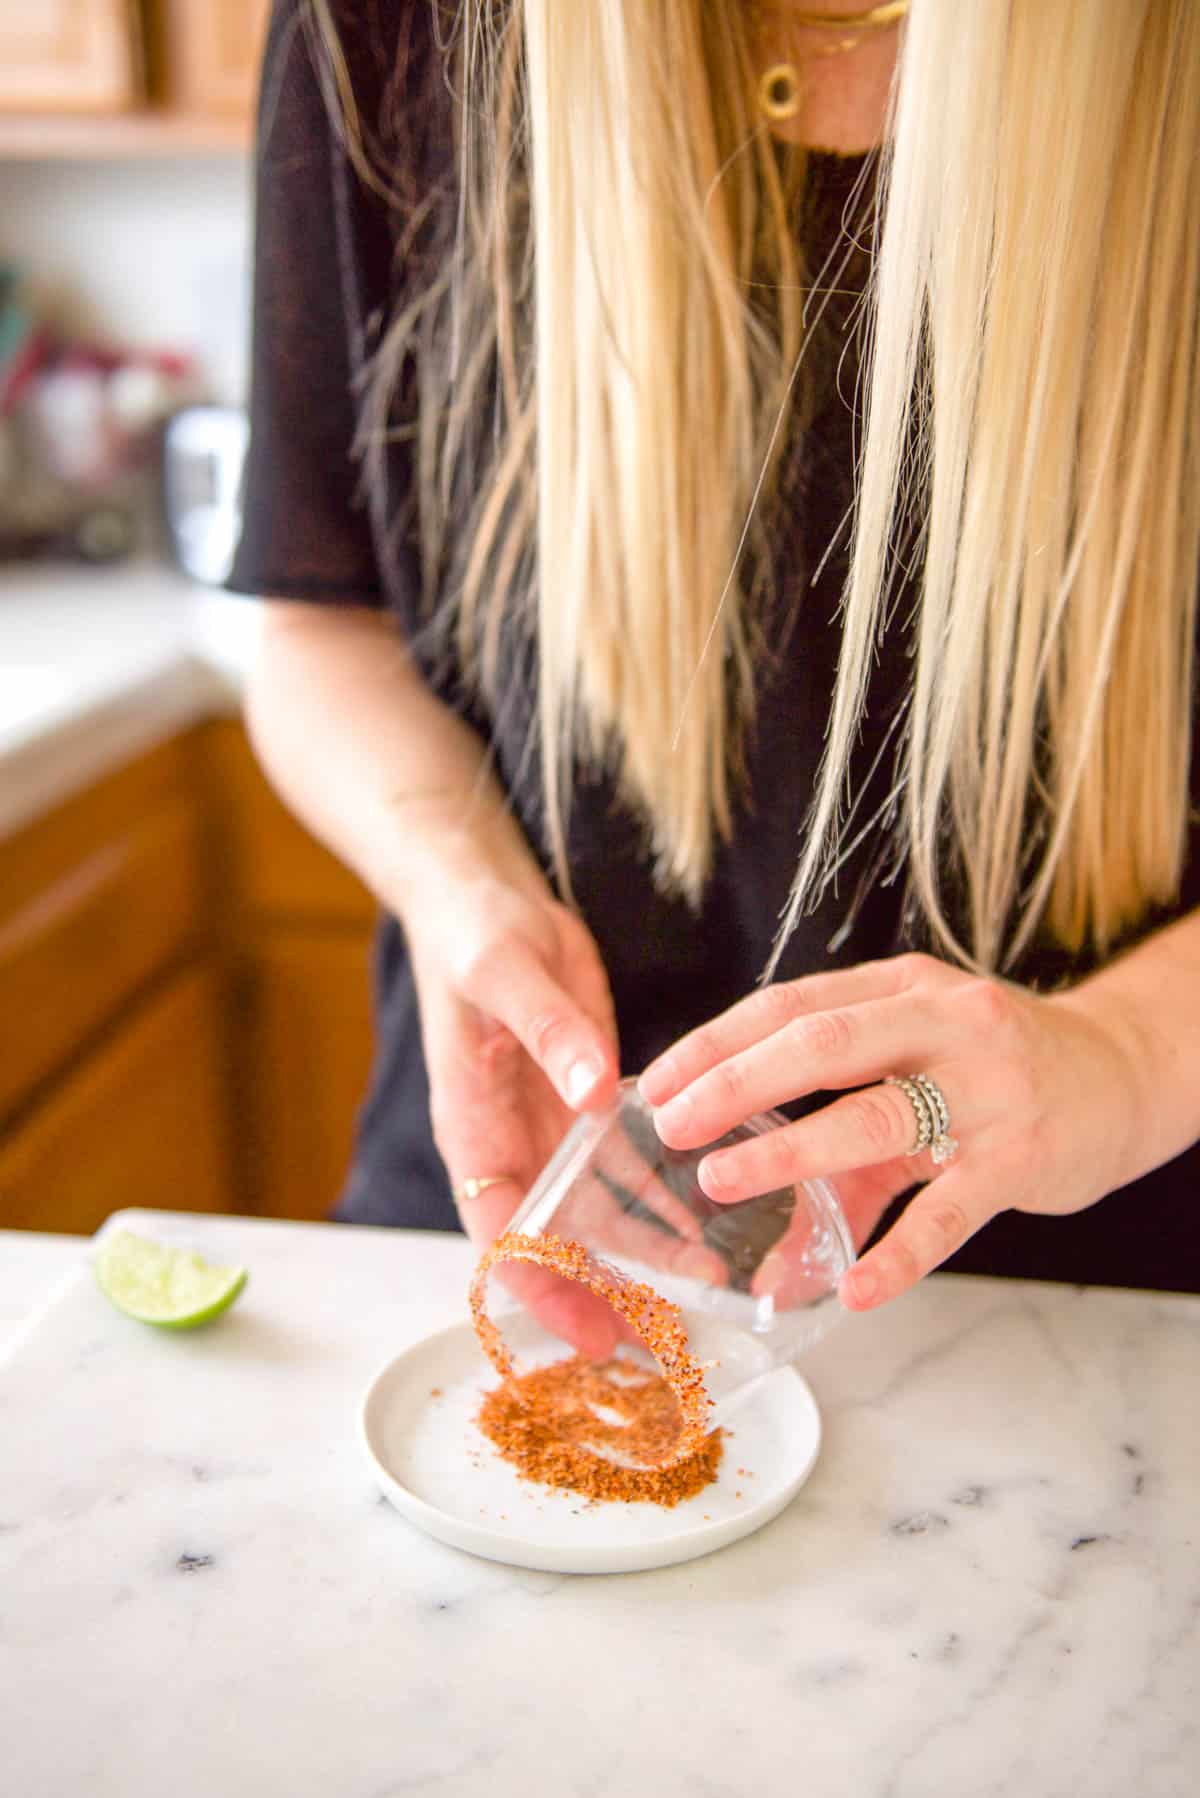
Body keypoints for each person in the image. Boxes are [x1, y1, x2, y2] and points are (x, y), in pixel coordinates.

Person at [233, 0, 1200, 1313]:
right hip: (505, 1226)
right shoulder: (389, 27)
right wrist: (454, 879)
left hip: (1085, 1313)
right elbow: (314, 624)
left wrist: (1127, 1053)